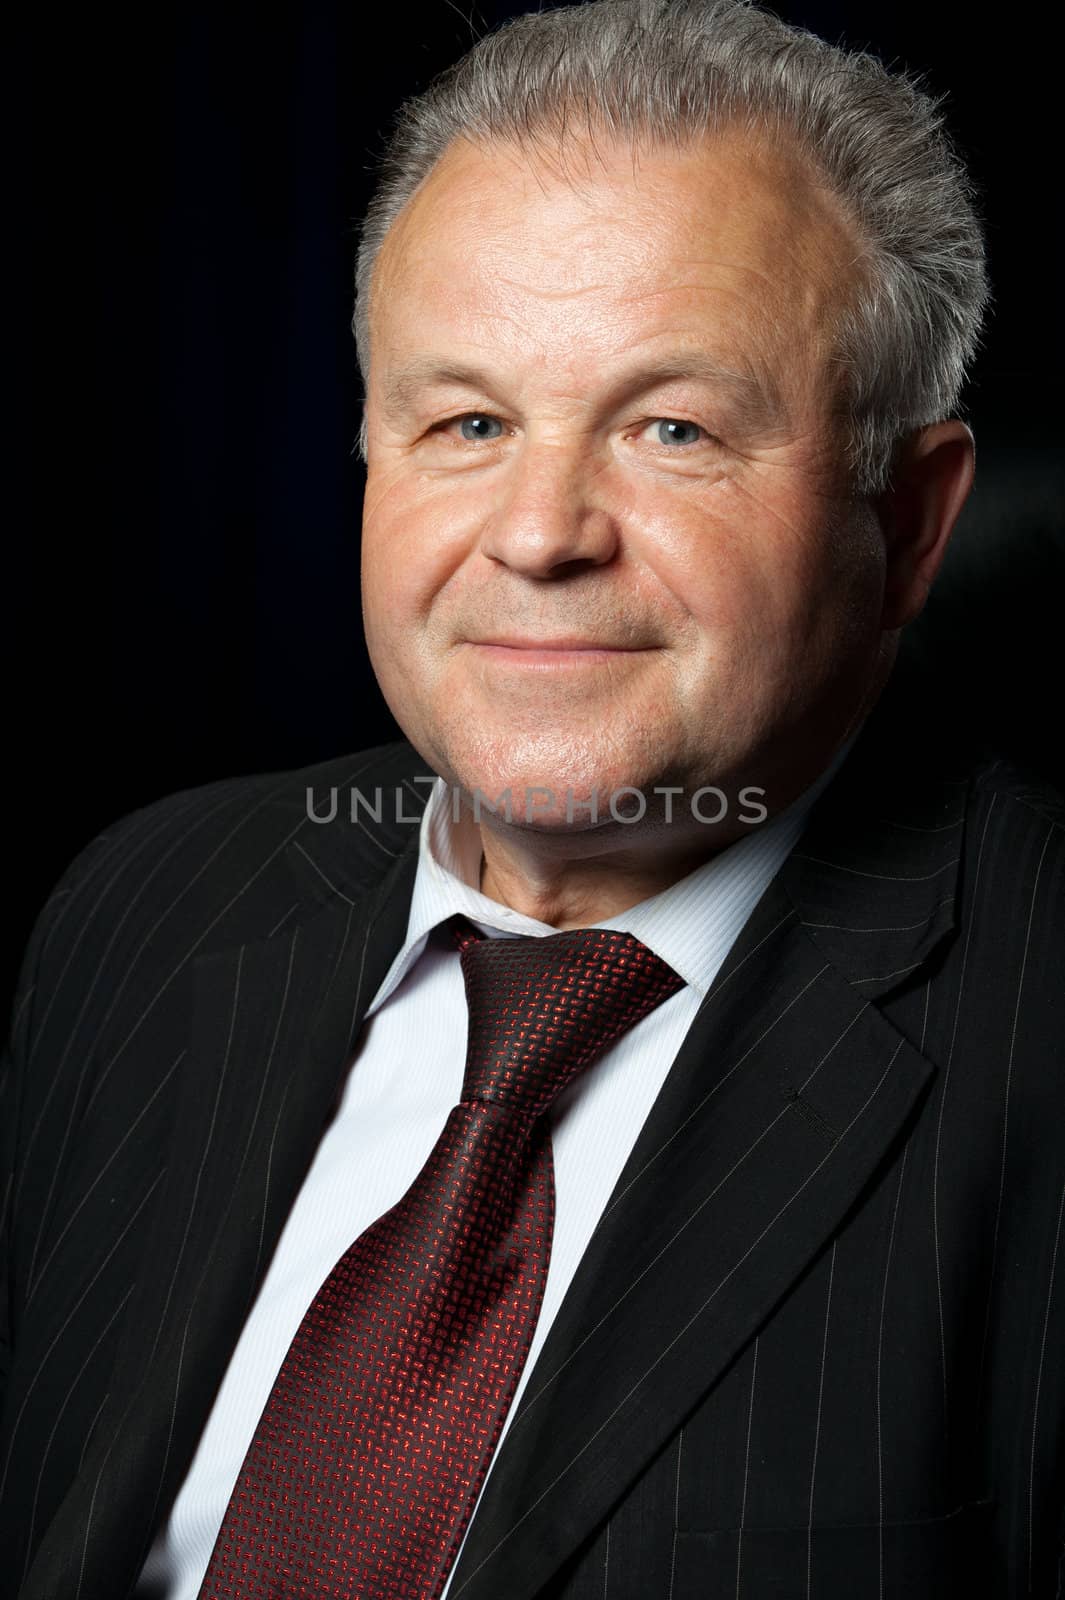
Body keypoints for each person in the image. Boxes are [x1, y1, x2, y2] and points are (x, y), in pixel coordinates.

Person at [2, 0, 1062, 1595]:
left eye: (672, 427)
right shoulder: (148, 906)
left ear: (907, 520)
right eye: (470, 422)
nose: (540, 532)